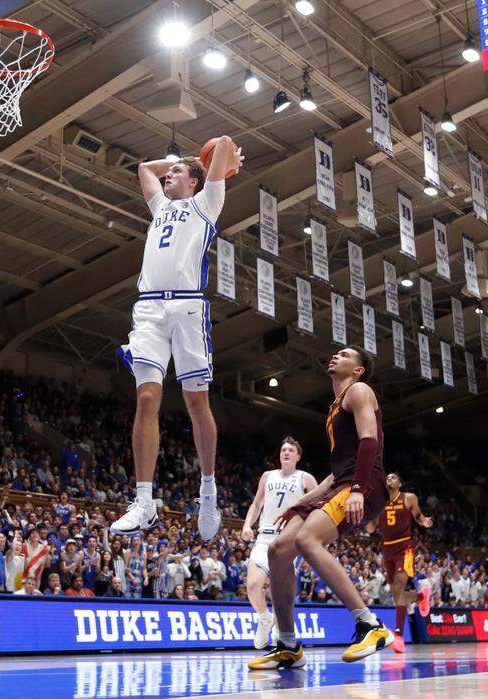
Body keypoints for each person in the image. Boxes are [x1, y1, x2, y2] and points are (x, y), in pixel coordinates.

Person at [111, 136, 244, 541]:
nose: (167, 175)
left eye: (177, 173)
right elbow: (143, 170)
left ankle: (207, 493)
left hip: (187, 308)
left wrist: (220, 157)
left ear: (194, 182)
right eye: (170, 173)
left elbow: (221, 144)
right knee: (147, 398)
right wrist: (175, 160)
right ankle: (145, 502)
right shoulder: (160, 207)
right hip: (149, 309)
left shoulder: (206, 204)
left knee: (194, 402)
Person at [249, 347, 391, 670]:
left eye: (345, 355)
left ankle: (370, 624)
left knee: (308, 540)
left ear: (358, 370)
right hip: (342, 483)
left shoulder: (359, 391)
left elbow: (370, 441)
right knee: (278, 549)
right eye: (336, 353)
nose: (335, 356)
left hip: (364, 483)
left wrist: (357, 489)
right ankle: (287, 644)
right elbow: (337, 471)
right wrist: (301, 501)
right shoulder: (334, 409)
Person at [240, 437, 317, 649]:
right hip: (264, 536)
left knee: (280, 591)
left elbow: (318, 508)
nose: (286, 452)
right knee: (254, 585)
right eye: (283, 449)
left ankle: (282, 628)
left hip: (287, 540)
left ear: (298, 456)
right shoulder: (268, 476)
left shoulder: (306, 478)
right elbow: (256, 504)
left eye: (291, 450)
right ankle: (264, 618)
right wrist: (247, 525)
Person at [365, 472, 432, 653]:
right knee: (396, 595)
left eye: (393, 478)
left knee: (399, 590)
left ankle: (398, 635)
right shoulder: (380, 504)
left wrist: (425, 522)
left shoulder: (408, 498)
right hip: (387, 549)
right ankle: (420, 597)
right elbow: (370, 529)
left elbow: (418, 516)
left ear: (400, 483)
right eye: (387, 478)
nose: (389, 480)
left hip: (404, 548)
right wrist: (368, 512)